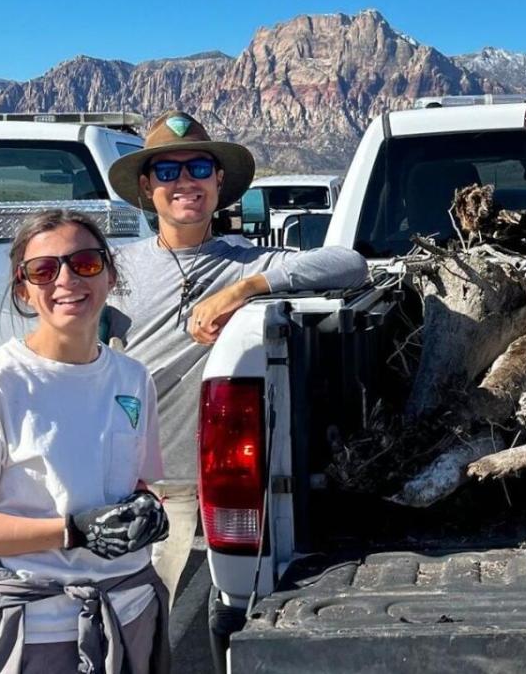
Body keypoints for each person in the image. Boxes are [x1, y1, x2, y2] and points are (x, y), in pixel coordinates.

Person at [105, 111, 368, 603]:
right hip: (134, 481)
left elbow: (350, 264)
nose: (185, 181)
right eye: (167, 171)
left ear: (219, 180)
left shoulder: (249, 260)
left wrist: (244, 290)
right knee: (137, 614)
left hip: (213, 484)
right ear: (146, 186)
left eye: (199, 168)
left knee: (211, 610)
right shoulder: (113, 269)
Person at [0, 210, 171, 673]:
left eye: (86, 263)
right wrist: (71, 531)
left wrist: (143, 508)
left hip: (127, 616)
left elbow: (134, 482)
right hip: (30, 632)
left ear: (110, 275)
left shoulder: (133, 379)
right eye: (44, 270)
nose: (67, 279)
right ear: (24, 290)